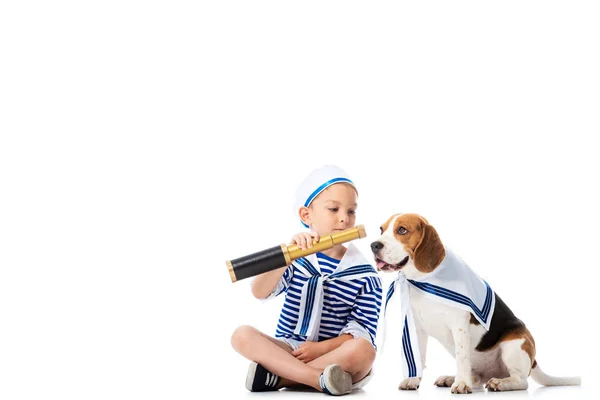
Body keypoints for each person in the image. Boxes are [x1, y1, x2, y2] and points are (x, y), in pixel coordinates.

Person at [231, 165, 383, 396]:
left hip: (336, 354)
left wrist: (322, 348)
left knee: (364, 351)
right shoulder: (297, 260)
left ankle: (279, 377)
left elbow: (362, 329)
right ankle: (317, 379)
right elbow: (259, 292)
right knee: (241, 335)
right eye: (334, 209)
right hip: (290, 349)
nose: (344, 218)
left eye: (351, 211)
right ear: (306, 216)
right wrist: (287, 254)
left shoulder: (365, 274)